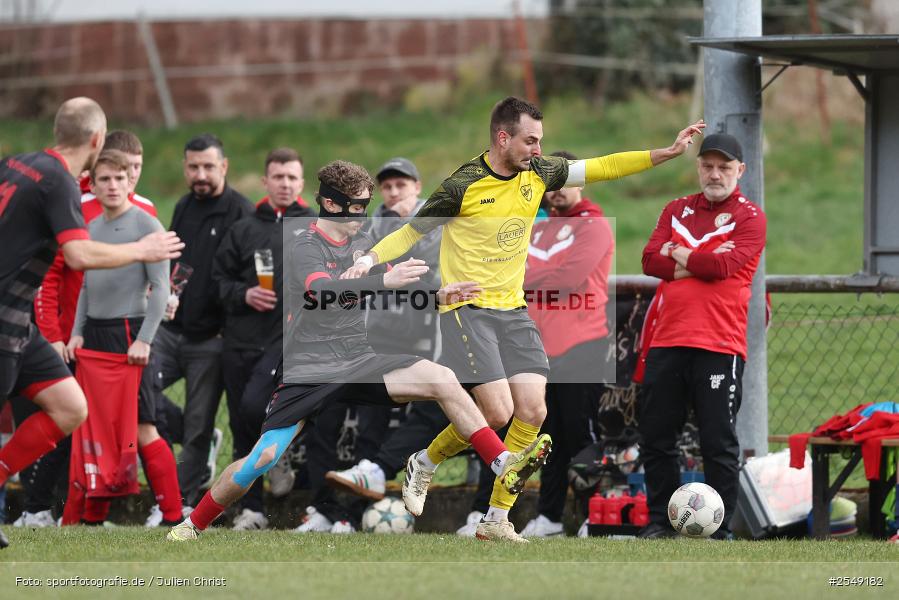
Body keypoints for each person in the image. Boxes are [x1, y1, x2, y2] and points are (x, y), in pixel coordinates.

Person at [342, 96, 704, 542]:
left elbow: (604, 166)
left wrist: (664, 154)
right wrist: (369, 259)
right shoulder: (462, 185)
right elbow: (412, 231)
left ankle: (496, 518)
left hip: (513, 311)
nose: (538, 148)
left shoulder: (539, 170)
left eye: (540, 141)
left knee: (532, 410)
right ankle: (427, 461)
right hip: (466, 310)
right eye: (530, 140)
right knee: (497, 412)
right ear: (502, 137)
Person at [166, 160, 550, 542]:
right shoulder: (303, 243)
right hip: (310, 368)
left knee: (443, 378)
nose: (362, 215)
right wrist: (383, 279)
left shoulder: (362, 241)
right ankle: (192, 524)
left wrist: (436, 296)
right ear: (332, 205)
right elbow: (322, 292)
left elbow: (389, 288)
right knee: (260, 460)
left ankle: (502, 465)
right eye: (357, 206)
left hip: (359, 357)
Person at [0, 97, 183, 548]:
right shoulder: (59, 183)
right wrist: (144, 250)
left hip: (25, 327)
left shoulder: (18, 163)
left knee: (71, 408)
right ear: (97, 140)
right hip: (4, 322)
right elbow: (78, 256)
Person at [638, 133, 766, 540]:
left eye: (724, 167)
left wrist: (677, 253)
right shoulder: (676, 209)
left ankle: (720, 527)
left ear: (739, 171)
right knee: (658, 437)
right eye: (707, 166)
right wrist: (697, 260)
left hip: (719, 344)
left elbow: (723, 267)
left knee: (718, 440)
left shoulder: (750, 216)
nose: (715, 174)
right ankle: (660, 521)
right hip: (667, 340)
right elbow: (647, 260)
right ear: (698, 167)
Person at [63, 149, 182, 526]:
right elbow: (83, 287)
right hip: (94, 337)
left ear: (131, 181)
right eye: (105, 179)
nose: (113, 185)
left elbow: (161, 289)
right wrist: (78, 332)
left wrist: (146, 339)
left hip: (132, 332)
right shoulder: (89, 230)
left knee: (142, 428)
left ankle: (175, 516)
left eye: (120, 178)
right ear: (93, 185)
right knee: (97, 428)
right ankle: (92, 518)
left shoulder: (148, 227)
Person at [212, 147, 313, 530]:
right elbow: (218, 283)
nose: (285, 184)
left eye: (292, 177)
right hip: (240, 342)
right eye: (278, 177)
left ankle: (281, 454)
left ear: (301, 183)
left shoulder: (314, 226)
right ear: (265, 181)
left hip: (287, 342)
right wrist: (244, 293)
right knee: (241, 423)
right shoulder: (243, 229)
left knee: (260, 410)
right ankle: (251, 509)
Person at [153, 134, 253, 507]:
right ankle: (199, 439)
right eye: (193, 167)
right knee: (134, 393)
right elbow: (178, 260)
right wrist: (165, 291)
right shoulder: (182, 206)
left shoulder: (241, 212)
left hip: (212, 339)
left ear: (224, 167)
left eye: (208, 167)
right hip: (169, 330)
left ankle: (179, 503)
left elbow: (247, 280)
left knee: (197, 426)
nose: (201, 175)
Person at [519, 150, 614, 537]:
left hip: (583, 344)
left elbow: (571, 277)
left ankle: (596, 515)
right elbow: (512, 270)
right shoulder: (533, 226)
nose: (557, 191)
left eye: (564, 181)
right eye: (550, 183)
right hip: (540, 348)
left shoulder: (594, 225)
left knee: (581, 433)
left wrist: (528, 278)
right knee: (546, 435)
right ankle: (550, 516)